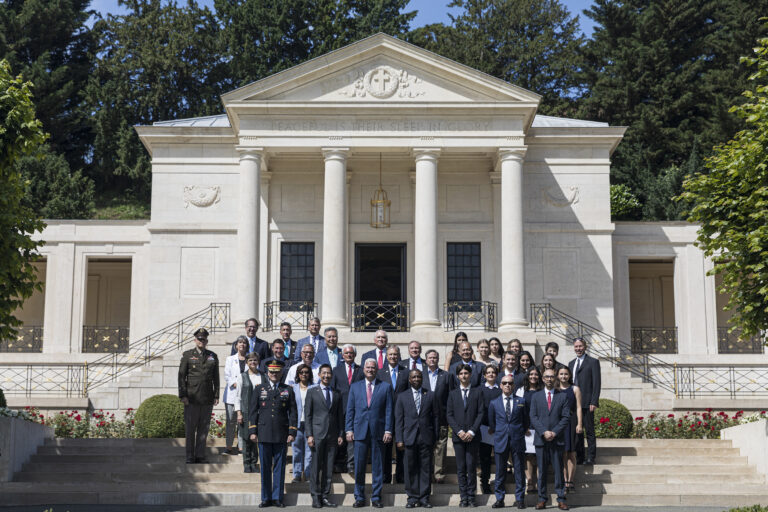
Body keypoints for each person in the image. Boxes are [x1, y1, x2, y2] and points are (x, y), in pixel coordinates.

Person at [346, 358, 394, 508]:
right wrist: (349, 429)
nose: (370, 370)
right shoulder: (355, 387)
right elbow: (350, 410)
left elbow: (389, 410)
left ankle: (376, 497)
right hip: (359, 431)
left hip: (378, 431)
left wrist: (388, 430)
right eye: (368, 367)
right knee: (359, 466)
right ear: (364, 369)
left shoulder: (385, 387)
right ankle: (359, 497)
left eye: (373, 367)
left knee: (377, 466)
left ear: (376, 370)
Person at [249, 360, 298, 508]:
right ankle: (266, 498)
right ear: (267, 373)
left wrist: (292, 431)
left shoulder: (287, 389)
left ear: (281, 373)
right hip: (263, 433)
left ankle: (277, 497)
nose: (274, 374)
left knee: (279, 467)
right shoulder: (259, 389)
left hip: (281, 433)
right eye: (271, 372)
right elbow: (253, 411)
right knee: (265, 467)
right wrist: (253, 430)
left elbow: (293, 412)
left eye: (277, 372)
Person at [395, 369, 439, 509]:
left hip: (426, 438)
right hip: (409, 438)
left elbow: (436, 418)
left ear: (422, 378)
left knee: (426, 468)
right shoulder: (402, 396)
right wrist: (399, 439)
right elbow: (399, 420)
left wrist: (435, 438)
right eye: (413, 377)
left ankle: (425, 498)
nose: (416, 379)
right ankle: (412, 497)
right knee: (410, 469)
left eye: (418, 377)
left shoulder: (430, 395)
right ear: (409, 379)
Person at [529, 369, 571, 510]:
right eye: (546, 376)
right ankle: (542, 499)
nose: (549, 379)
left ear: (555, 378)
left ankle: (561, 498)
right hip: (541, 440)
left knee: (559, 470)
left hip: (557, 439)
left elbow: (566, 417)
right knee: (542, 471)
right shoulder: (536, 396)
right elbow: (533, 417)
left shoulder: (562, 396)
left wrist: (554, 432)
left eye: (552, 376)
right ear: (542, 378)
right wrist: (544, 432)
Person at [178, 328, 219, 464]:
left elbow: (216, 377)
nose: (202, 341)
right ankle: (190, 456)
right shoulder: (188, 355)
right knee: (190, 429)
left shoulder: (212, 356)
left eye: (204, 339)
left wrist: (216, 395)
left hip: (207, 397)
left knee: (203, 429)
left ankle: (200, 455)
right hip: (192, 398)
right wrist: (183, 395)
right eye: (199, 339)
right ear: (195, 340)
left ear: (207, 341)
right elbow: (181, 376)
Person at [305, 364, 344, 509]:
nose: (326, 376)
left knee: (328, 468)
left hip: (332, 435)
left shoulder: (337, 393)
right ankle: (315, 497)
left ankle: (325, 496)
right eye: (324, 373)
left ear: (332, 376)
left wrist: (340, 434)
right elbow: (308, 415)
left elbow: (340, 416)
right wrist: (309, 435)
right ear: (319, 375)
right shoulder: (312, 392)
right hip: (317, 435)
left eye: (329, 373)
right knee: (316, 467)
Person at [446, 364, 485, 507]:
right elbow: (449, 415)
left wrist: (472, 431)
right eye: (461, 373)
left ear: (470, 375)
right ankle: (463, 497)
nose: (464, 376)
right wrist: (459, 432)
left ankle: (471, 496)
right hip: (459, 437)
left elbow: (481, 413)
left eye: (466, 373)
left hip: (473, 436)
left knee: (471, 466)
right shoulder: (453, 394)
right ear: (457, 376)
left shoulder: (477, 392)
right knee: (461, 468)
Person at [488, 374, 528, 509]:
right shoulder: (494, 403)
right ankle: (499, 499)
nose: (507, 385)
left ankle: (520, 499)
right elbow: (492, 423)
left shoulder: (521, 401)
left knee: (519, 471)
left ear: (514, 386)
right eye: (504, 383)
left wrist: (519, 431)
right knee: (500, 471)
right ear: (500, 385)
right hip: (501, 440)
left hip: (517, 439)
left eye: (510, 383)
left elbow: (526, 421)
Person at [377, 345, 408, 485]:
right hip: (385, 416)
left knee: (401, 448)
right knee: (386, 448)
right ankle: (386, 477)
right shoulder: (380, 373)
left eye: (395, 354)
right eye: (390, 354)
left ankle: (400, 476)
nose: (393, 357)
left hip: (403, 417)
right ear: (386, 356)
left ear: (399, 356)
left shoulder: (406, 372)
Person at [331, 343, 364, 474]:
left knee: (353, 437)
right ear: (342, 355)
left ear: (355, 355)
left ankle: (351, 464)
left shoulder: (361, 370)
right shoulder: (336, 370)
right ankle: (339, 463)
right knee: (340, 436)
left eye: (351, 353)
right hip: (341, 408)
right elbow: (333, 389)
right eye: (346, 353)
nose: (349, 355)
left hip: (357, 409)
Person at [568, 337, 601, 466]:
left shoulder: (593, 362)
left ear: (585, 347)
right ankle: (580, 457)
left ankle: (591, 457)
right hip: (574, 403)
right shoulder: (571, 363)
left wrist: (594, 401)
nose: (578, 349)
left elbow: (597, 383)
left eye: (580, 346)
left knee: (589, 431)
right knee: (578, 431)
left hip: (587, 402)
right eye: (576, 346)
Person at [421, 349, 450, 484]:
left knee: (441, 446)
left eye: (435, 358)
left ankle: (439, 474)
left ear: (438, 359)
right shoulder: (420, 375)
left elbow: (450, 397)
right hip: (425, 417)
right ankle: (426, 473)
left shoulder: (446, 376)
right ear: (426, 360)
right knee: (426, 446)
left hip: (442, 416)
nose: (432, 360)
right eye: (430, 358)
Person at [556, 366, 583, 493]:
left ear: (570, 375)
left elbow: (579, 407)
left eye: (566, 374)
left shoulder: (575, 389)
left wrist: (579, 424)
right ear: (557, 375)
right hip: (559, 423)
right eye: (561, 374)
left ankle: (570, 481)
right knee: (562, 453)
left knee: (571, 453)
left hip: (571, 422)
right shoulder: (555, 389)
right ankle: (564, 480)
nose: (563, 376)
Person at [236, 351, 263, 472]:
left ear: (258, 362)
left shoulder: (263, 376)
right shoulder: (242, 376)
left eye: (255, 360)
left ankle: (254, 463)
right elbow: (238, 396)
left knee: (256, 438)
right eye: (250, 360)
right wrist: (239, 413)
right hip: (246, 411)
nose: (253, 362)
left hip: (260, 412)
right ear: (247, 362)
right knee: (246, 438)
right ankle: (247, 463)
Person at [224, 335, 249, 455]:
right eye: (240, 342)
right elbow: (227, 375)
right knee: (230, 421)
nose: (242, 344)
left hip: (245, 395)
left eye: (244, 342)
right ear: (236, 345)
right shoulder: (230, 359)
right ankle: (228, 446)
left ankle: (241, 447)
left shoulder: (250, 358)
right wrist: (235, 384)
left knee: (242, 422)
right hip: (232, 394)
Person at [520, 367, 543, 495]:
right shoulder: (522, 391)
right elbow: (519, 411)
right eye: (531, 374)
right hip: (527, 428)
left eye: (536, 374)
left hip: (540, 427)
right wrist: (524, 426)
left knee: (539, 455)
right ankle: (529, 482)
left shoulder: (543, 390)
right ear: (527, 376)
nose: (533, 376)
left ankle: (539, 482)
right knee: (528, 455)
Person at [479, 365, 501, 495]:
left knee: (500, 457)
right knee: (485, 458)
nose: (491, 374)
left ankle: (499, 483)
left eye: (493, 372)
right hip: (485, 429)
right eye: (488, 372)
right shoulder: (480, 389)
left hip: (499, 428)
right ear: (484, 375)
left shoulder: (501, 389)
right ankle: (485, 482)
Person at [291, 363, 314, 483]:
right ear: (298, 374)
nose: (304, 374)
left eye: (306, 372)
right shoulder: (293, 388)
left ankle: (308, 474)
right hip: (297, 423)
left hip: (310, 424)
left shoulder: (314, 387)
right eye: (301, 372)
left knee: (309, 451)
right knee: (296, 450)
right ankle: (297, 474)